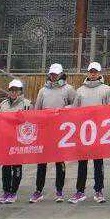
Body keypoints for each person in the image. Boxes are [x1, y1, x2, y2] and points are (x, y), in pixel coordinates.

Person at [68, 62, 110, 204]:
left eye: (95, 72)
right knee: (82, 163)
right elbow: (75, 110)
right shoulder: (80, 90)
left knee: (98, 163)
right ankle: (80, 191)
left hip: (99, 132)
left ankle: (99, 190)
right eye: (91, 71)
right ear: (88, 73)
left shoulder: (107, 90)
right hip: (84, 132)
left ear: (99, 73)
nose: (93, 74)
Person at [31, 63, 76, 203]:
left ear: (61, 74)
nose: (54, 76)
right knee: (41, 162)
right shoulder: (43, 91)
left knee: (59, 161)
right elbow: (37, 110)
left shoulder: (68, 89)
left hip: (61, 131)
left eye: (56, 74)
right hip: (45, 130)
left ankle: (59, 190)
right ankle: (38, 190)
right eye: (52, 74)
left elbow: (75, 105)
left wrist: (65, 109)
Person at [0, 79, 31, 204]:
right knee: (5, 167)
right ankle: (6, 191)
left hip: (18, 140)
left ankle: (13, 192)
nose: (14, 92)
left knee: (16, 166)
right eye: (11, 90)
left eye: (16, 90)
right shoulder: (3, 104)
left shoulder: (27, 104)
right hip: (6, 140)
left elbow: (31, 121)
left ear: (20, 91)